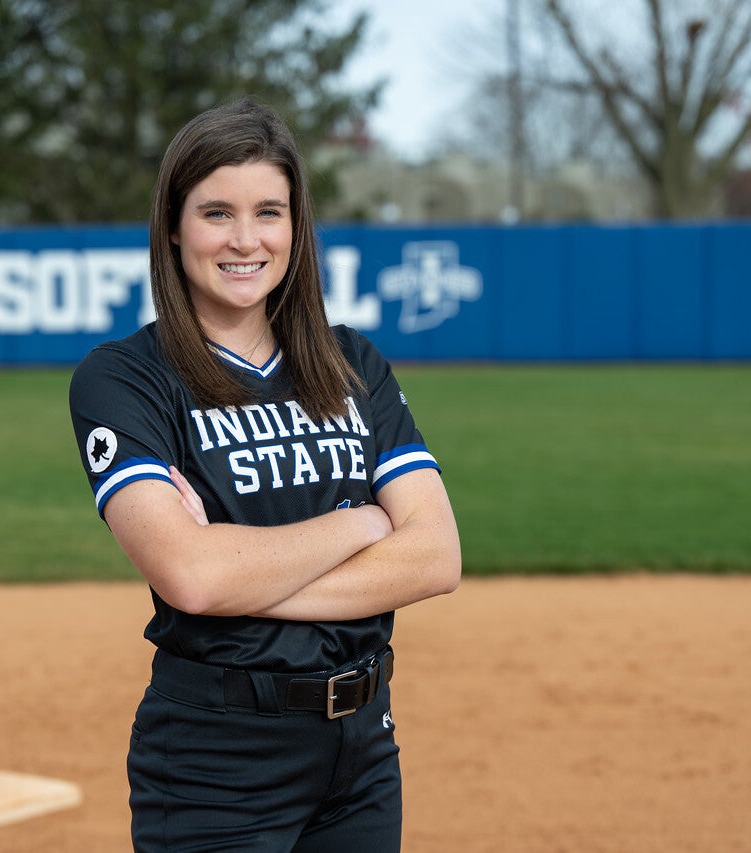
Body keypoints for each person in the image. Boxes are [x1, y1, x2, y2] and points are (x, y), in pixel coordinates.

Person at [68, 97, 461, 852]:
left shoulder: (352, 363)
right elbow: (193, 579)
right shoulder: (126, 379)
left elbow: (437, 556)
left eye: (268, 212)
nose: (245, 239)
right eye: (217, 212)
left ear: (296, 226)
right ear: (174, 227)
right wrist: (362, 522)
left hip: (364, 753)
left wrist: (243, 569)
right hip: (217, 761)